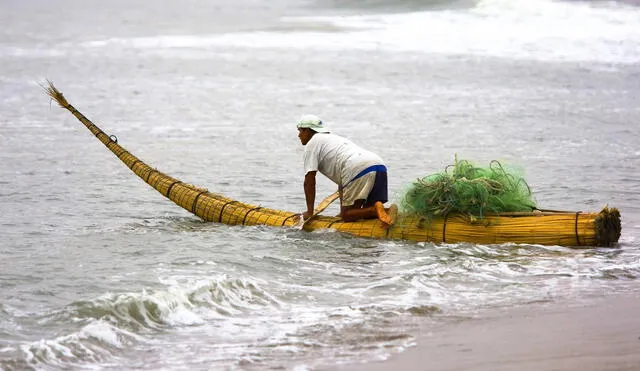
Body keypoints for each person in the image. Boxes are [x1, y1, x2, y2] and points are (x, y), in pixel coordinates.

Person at [296, 114, 396, 226]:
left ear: (308, 131)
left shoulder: (312, 144)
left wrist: (309, 212)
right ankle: (383, 211)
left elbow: (309, 182)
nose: (299, 135)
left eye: (300, 131)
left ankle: (375, 209)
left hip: (357, 168)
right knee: (364, 215)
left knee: (347, 215)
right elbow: (344, 182)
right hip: (379, 165)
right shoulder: (335, 139)